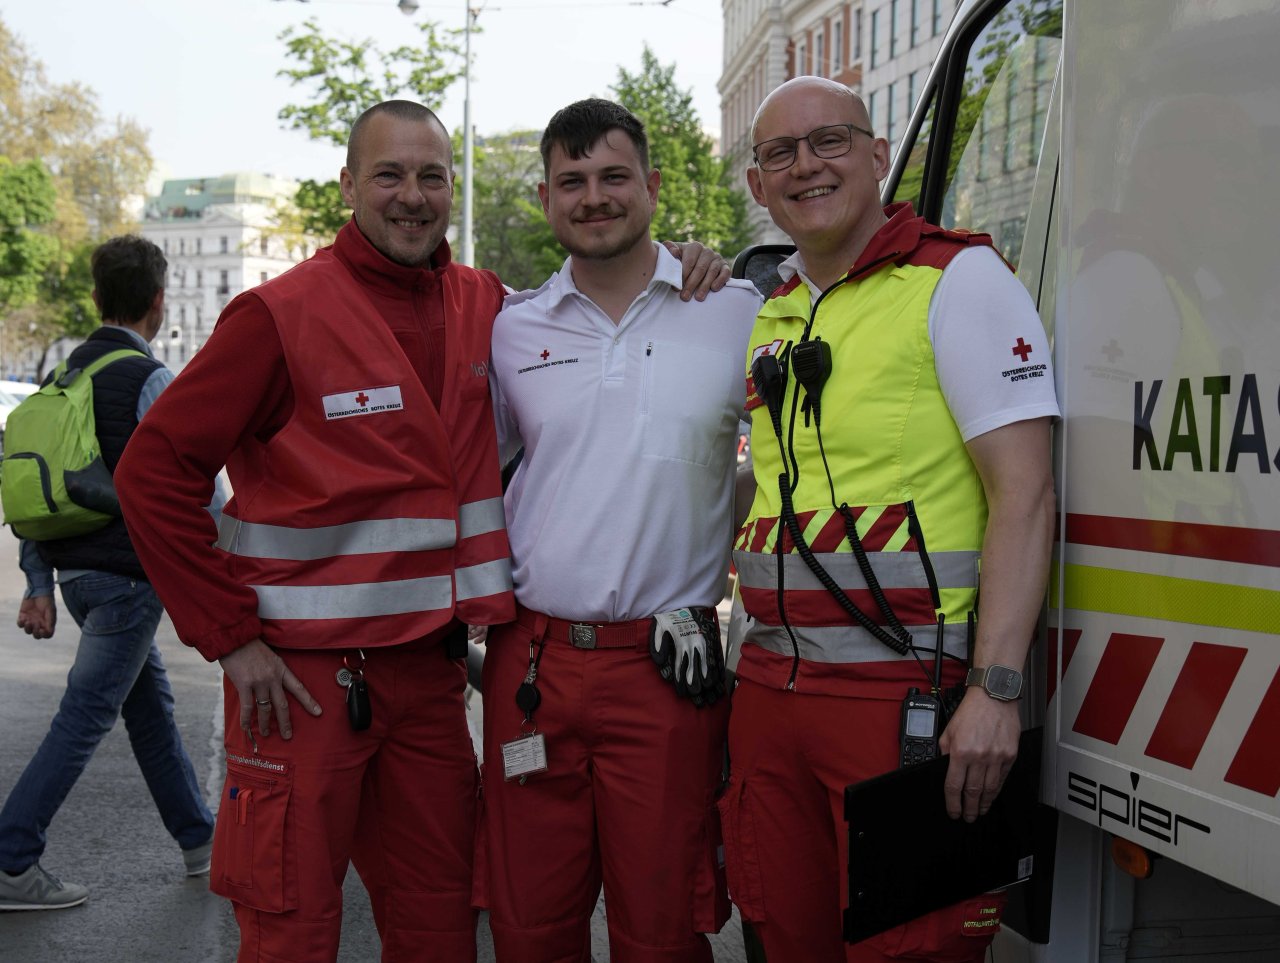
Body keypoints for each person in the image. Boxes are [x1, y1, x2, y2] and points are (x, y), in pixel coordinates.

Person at [113, 100, 726, 962]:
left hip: (430, 685)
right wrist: (231, 638)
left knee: (439, 923)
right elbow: (151, 471)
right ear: (349, 186)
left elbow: (600, 317)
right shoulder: (278, 315)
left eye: (431, 175)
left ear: (451, 188)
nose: (412, 195)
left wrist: (689, 262)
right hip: (298, 686)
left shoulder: (490, 309)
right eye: (390, 175)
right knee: (290, 927)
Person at [723, 76, 1060, 962]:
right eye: (780, 154)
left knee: (913, 947)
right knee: (785, 935)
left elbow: (1024, 492)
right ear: (758, 187)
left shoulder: (959, 280)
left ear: (879, 158)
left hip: (907, 699)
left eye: (829, 141)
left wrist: (996, 690)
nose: (806, 166)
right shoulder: (774, 311)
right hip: (771, 695)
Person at [479, 98, 761, 963]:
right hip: (532, 667)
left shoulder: (738, 311)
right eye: (571, 181)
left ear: (654, 184)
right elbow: (477, 476)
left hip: (664, 670)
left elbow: (791, 469)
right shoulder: (510, 328)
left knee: (665, 928)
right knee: (530, 927)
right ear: (544, 198)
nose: (593, 197)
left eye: (612, 176)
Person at [0, 235, 216, 911]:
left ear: (97, 300)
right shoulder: (149, 378)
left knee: (150, 711)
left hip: (78, 578)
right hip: (129, 580)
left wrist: (39, 582)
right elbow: (195, 484)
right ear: (158, 302)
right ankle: (12, 857)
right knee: (84, 717)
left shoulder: (63, 377)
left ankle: (201, 841)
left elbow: (29, 490)